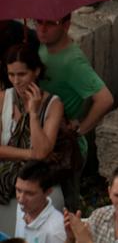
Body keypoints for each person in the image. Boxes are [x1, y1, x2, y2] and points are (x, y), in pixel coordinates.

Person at [34, 13, 114, 210]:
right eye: (39, 21)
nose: (42, 28)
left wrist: (80, 129)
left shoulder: (73, 61)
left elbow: (105, 99)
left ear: (66, 25)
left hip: (65, 150)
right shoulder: (41, 47)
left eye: (50, 23)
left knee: (66, 209)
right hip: (43, 139)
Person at [0, 46, 64, 233]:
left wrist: (33, 114)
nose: (16, 81)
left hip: (36, 177)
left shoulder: (53, 104)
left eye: (22, 74)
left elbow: (42, 151)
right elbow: (36, 154)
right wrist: (30, 154)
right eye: (11, 74)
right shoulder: (3, 99)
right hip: (5, 174)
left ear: (36, 71)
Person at [13, 161, 66, 243]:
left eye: (29, 193)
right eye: (18, 190)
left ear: (48, 192)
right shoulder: (22, 207)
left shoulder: (56, 231)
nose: (21, 200)